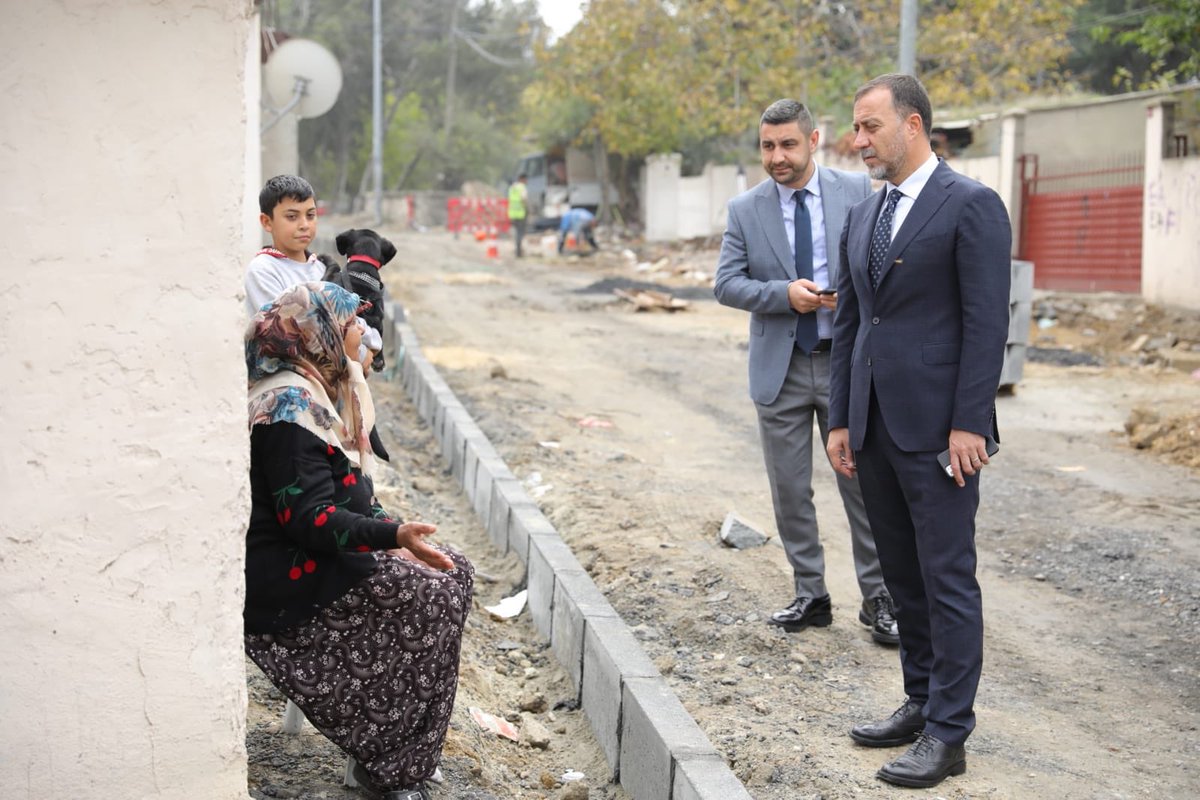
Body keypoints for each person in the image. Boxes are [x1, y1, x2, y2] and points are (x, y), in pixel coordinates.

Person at [826, 74, 1011, 788]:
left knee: (947, 579)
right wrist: (841, 417)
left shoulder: (971, 205)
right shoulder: (865, 215)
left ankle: (949, 732)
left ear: (913, 125)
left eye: (870, 126)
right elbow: (850, 321)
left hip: (940, 433)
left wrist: (970, 422)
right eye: (855, 127)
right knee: (902, 579)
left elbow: (986, 324)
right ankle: (918, 700)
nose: (858, 139)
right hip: (873, 426)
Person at [243, 281, 473, 800]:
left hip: (314, 556)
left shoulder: (314, 392)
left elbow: (346, 494)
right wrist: (390, 535)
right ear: (317, 333)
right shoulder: (287, 407)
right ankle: (387, 760)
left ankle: (403, 746)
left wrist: (391, 533)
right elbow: (309, 519)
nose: (361, 335)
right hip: (287, 578)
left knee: (450, 571)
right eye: (350, 325)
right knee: (429, 597)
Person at [713, 99, 898, 647]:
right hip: (782, 368)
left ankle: (880, 598)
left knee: (863, 486)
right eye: (768, 146)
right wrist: (782, 295)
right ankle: (811, 594)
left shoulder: (857, 191)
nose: (777, 157)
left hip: (848, 367)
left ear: (814, 140)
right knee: (791, 490)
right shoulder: (745, 209)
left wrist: (860, 298)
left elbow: (884, 263)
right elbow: (727, 283)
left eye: (788, 145)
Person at [244, 174, 384, 364]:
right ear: (267, 222)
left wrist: (368, 344)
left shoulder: (324, 270)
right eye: (292, 217)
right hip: (289, 382)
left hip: (333, 388)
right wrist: (358, 353)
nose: (304, 225)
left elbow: (353, 323)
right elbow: (290, 334)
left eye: (310, 215)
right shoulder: (263, 270)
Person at [508, 173, 528, 257]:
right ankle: (518, 251)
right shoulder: (522, 187)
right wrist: (527, 209)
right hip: (520, 213)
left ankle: (517, 250)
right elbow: (524, 199)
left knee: (516, 233)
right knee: (520, 233)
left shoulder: (512, 188)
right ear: (522, 179)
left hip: (512, 213)